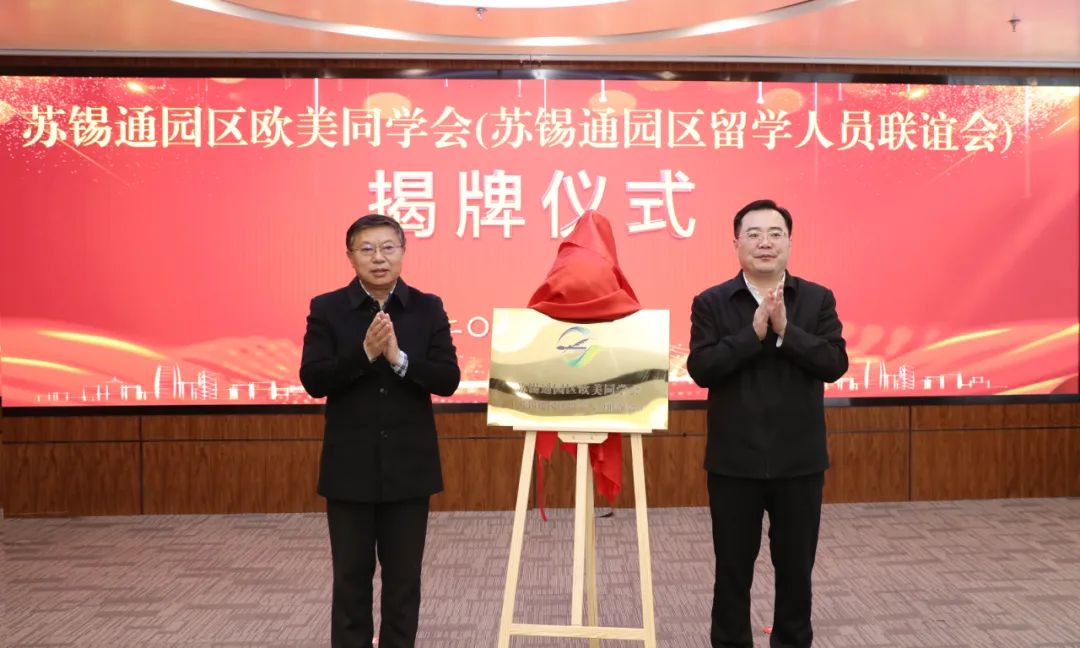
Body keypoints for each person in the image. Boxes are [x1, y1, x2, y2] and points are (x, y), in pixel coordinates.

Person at [687, 199, 848, 648]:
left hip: (799, 462)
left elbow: (834, 363)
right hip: (734, 462)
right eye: (754, 234)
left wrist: (786, 332)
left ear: (789, 243)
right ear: (736, 243)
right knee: (732, 571)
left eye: (775, 234)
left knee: (796, 570)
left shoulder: (816, 299)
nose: (765, 243)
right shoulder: (711, 302)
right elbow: (702, 369)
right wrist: (753, 334)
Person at [300, 213, 460, 648]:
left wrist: (399, 359)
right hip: (349, 468)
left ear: (403, 252)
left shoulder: (427, 307)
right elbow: (313, 379)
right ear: (350, 256)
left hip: (410, 468)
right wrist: (365, 354)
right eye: (367, 249)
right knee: (350, 579)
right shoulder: (327, 309)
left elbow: (448, 379)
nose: (379, 258)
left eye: (388, 248)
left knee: (404, 581)